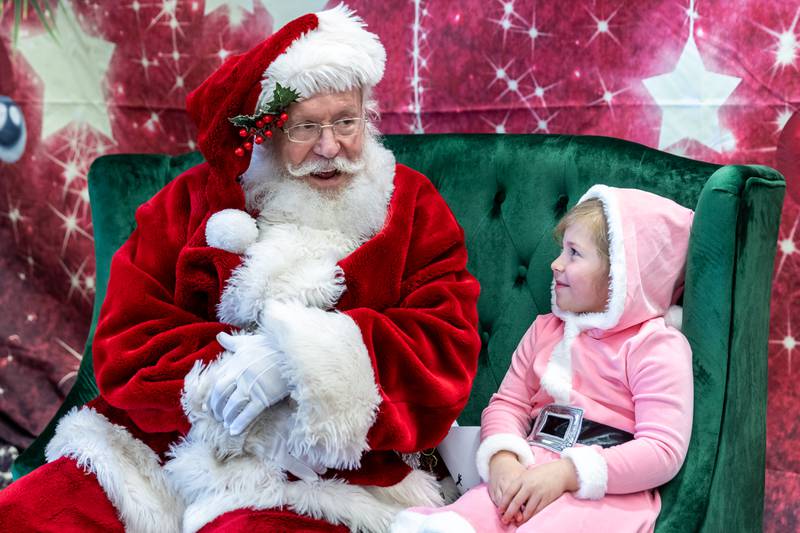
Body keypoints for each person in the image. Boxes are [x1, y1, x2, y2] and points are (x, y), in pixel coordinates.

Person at [0, 6, 481, 532]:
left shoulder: (408, 203)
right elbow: (127, 343)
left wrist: (301, 363)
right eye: (306, 127)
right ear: (269, 130)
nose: (329, 148)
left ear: (367, 114)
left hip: (330, 473)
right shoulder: (190, 201)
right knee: (26, 514)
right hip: (164, 451)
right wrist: (225, 369)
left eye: (345, 122)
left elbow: (444, 347)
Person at [392, 185, 694, 533]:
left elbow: (662, 449)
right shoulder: (544, 330)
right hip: (528, 471)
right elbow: (508, 403)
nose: (556, 263)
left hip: (602, 493)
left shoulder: (655, 346)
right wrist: (503, 458)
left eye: (574, 253)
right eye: (561, 249)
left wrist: (568, 473)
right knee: (453, 523)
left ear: (622, 273)